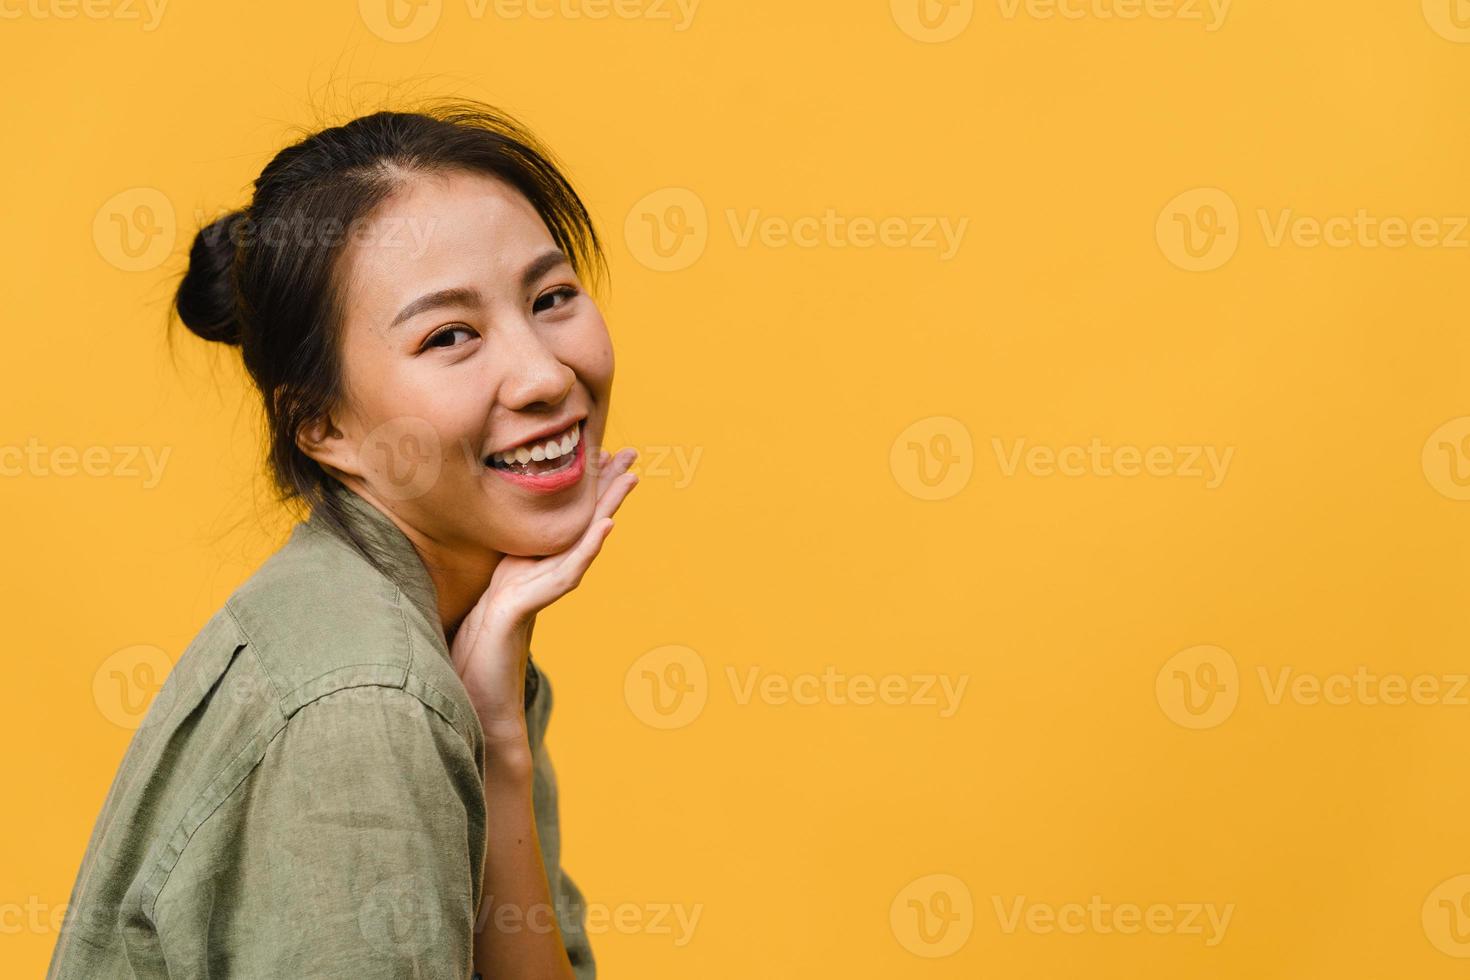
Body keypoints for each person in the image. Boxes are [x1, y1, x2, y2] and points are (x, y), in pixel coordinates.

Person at [46, 100, 638, 979]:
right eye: (450, 336)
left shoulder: (447, 650)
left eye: (551, 297)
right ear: (321, 426)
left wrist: (498, 741)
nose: (548, 375)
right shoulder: (363, 704)